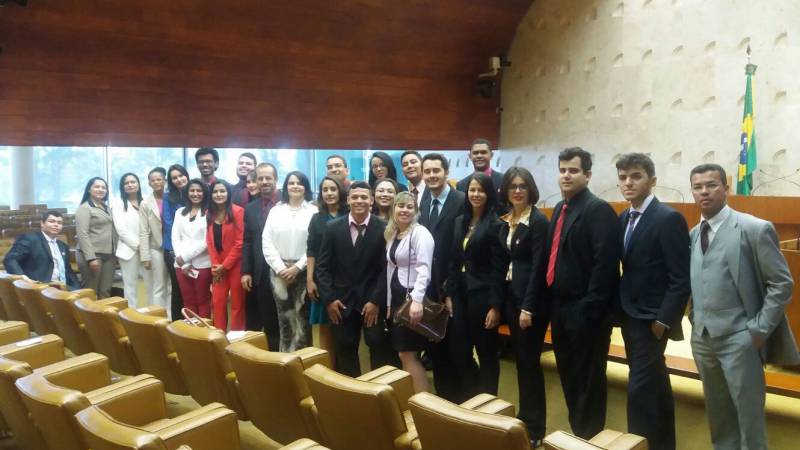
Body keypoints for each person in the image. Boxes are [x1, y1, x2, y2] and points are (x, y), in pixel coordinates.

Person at [688, 163, 800, 450]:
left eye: (711, 185)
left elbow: (782, 284)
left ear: (726, 188)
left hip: (741, 338)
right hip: (703, 339)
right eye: (698, 187)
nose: (704, 191)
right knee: (719, 417)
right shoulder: (693, 234)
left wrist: (758, 330)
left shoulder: (754, 228)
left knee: (749, 419)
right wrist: (693, 318)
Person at [545, 147, 620, 438]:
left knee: (588, 381)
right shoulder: (560, 208)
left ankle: (589, 437)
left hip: (586, 310)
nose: (566, 175)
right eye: (562, 170)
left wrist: (589, 309)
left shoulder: (598, 210)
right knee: (568, 375)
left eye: (573, 170)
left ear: (587, 175)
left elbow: (605, 266)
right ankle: (579, 434)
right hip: (560, 307)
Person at [617, 153, 690, 450]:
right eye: (623, 177)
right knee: (654, 385)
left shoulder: (668, 218)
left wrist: (663, 321)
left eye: (636, 176)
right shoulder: (624, 217)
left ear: (652, 180)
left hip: (652, 319)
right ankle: (663, 445)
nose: (628, 182)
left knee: (638, 390)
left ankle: (637, 444)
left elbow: (680, 277)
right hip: (629, 315)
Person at [316, 181, 398, 376]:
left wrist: (376, 301)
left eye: (364, 197)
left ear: (371, 200)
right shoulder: (332, 227)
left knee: (378, 346)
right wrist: (329, 299)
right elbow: (323, 266)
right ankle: (351, 392)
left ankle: (378, 390)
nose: (359, 200)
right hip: (341, 302)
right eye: (355, 197)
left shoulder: (385, 228)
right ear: (348, 200)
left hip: (372, 302)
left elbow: (387, 268)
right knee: (345, 349)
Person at [418, 153, 478, 403]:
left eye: (436, 170)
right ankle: (445, 401)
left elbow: (464, 249)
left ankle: (470, 403)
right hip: (430, 288)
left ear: (446, 172)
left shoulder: (462, 200)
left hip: (456, 287)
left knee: (460, 348)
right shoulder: (423, 202)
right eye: (427, 171)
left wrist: (450, 289)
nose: (432, 175)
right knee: (436, 348)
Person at [497, 167, 550, 446]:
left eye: (523, 186)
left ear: (531, 189)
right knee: (521, 362)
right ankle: (525, 417)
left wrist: (528, 307)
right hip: (511, 297)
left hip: (530, 303)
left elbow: (540, 266)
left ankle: (535, 428)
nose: (517, 191)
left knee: (529, 364)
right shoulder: (507, 219)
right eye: (513, 186)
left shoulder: (538, 221)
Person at [444, 173, 504, 397]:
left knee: (486, 352)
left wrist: (495, 306)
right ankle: (471, 396)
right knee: (460, 349)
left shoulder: (497, 224)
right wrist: (449, 293)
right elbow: (453, 260)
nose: (476, 194)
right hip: (459, 293)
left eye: (481, 190)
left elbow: (498, 269)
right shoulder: (460, 221)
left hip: (483, 295)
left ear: (489, 194)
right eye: (472, 190)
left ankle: (488, 402)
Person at [384, 191, 435, 393]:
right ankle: (414, 398)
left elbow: (425, 269)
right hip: (398, 299)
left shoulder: (420, 233)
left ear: (416, 211)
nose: (404, 210)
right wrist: (389, 304)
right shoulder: (394, 233)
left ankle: (422, 402)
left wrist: (417, 300)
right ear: (393, 209)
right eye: (400, 206)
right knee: (403, 354)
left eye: (409, 207)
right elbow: (391, 269)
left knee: (408, 353)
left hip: (413, 299)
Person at [262, 171, 317, 352]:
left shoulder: (313, 211)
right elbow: (267, 242)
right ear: (285, 187)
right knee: (284, 320)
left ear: (305, 187)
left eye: (299, 183)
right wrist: (280, 268)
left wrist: (297, 267)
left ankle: (303, 360)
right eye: (291, 183)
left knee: (303, 320)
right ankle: (284, 359)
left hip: (304, 272)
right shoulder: (276, 211)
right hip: (279, 273)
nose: (295, 186)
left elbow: (314, 244)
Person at [307, 176, 348, 362]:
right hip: (323, 279)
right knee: (325, 327)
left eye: (333, 189)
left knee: (345, 327)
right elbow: (311, 250)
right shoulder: (317, 219)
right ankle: (329, 370)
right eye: (325, 190)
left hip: (346, 279)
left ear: (340, 191)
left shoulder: (349, 214)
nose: (329, 193)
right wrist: (310, 280)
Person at [241, 163, 281, 347]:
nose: (264, 182)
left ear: (276, 179)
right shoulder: (250, 208)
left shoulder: (287, 203)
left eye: (268, 178)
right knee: (269, 322)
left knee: (289, 322)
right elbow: (247, 241)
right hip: (261, 273)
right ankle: (273, 359)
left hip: (286, 271)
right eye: (260, 178)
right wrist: (246, 271)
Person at [3, 210, 79, 290]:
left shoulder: (63, 246)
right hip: (39, 288)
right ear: (42, 223)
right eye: (52, 221)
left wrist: (77, 289)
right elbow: (10, 259)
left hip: (63, 287)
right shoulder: (30, 239)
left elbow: (68, 270)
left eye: (59, 223)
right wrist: (23, 278)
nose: (56, 225)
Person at [207, 180, 246, 331]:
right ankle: (219, 336)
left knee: (237, 304)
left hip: (235, 265)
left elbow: (239, 243)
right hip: (218, 266)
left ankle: (236, 338)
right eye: (215, 192)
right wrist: (216, 266)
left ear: (228, 193)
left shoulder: (238, 211)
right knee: (217, 303)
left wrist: (225, 266)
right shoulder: (209, 213)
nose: (219, 194)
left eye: (222, 191)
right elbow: (209, 242)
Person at [171, 179, 212, 318]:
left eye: (199, 190)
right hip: (181, 265)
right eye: (192, 190)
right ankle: (191, 331)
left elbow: (206, 240)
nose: (195, 193)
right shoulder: (180, 212)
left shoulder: (209, 212)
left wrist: (184, 257)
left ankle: (203, 330)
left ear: (204, 193)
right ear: (187, 193)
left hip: (202, 263)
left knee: (203, 301)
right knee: (188, 301)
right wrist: (182, 261)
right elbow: (175, 237)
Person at [75, 177, 117, 298]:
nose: (101, 189)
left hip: (109, 254)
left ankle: (103, 311)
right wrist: (91, 258)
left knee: (105, 290)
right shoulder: (85, 208)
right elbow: (82, 234)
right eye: (97, 187)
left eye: (103, 187)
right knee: (91, 291)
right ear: (89, 189)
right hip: (92, 255)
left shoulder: (106, 207)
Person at [139, 167, 171, 310]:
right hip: (156, 248)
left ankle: (171, 316)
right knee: (159, 285)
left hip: (173, 247)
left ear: (165, 180)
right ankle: (159, 316)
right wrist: (145, 256)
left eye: (159, 179)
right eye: (153, 180)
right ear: (149, 183)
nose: (156, 182)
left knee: (172, 284)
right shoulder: (145, 203)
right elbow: (143, 231)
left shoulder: (172, 198)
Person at [112, 173, 144, 307]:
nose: (130, 185)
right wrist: (140, 246)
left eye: (133, 182)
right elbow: (121, 231)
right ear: (122, 187)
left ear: (138, 184)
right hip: (128, 250)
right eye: (126, 183)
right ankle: (131, 314)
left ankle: (152, 313)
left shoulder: (145, 202)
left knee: (151, 283)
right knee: (130, 286)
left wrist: (145, 247)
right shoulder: (118, 204)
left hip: (147, 250)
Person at [162, 164, 190, 319]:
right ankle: (177, 323)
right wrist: (181, 243)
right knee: (178, 288)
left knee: (192, 288)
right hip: (173, 248)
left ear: (186, 175)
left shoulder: (194, 191)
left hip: (194, 250)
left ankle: (193, 322)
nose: (179, 180)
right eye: (174, 178)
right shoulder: (168, 197)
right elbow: (167, 222)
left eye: (181, 175)